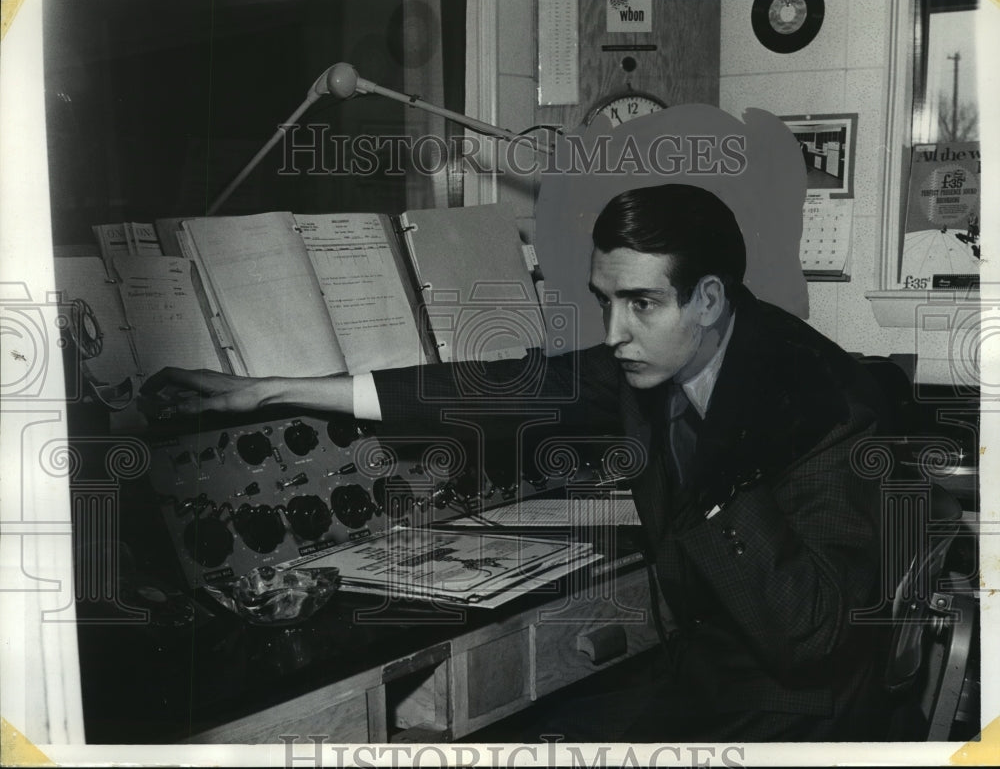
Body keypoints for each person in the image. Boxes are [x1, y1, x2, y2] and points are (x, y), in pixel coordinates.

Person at [142, 183, 890, 741]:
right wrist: (261, 390)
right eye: (606, 302)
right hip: (705, 670)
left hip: (801, 714)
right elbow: (498, 389)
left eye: (640, 305)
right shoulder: (669, 354)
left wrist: (717, 462)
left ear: (710, 300)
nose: (616, 333)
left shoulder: (824, 401)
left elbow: (810, 639)